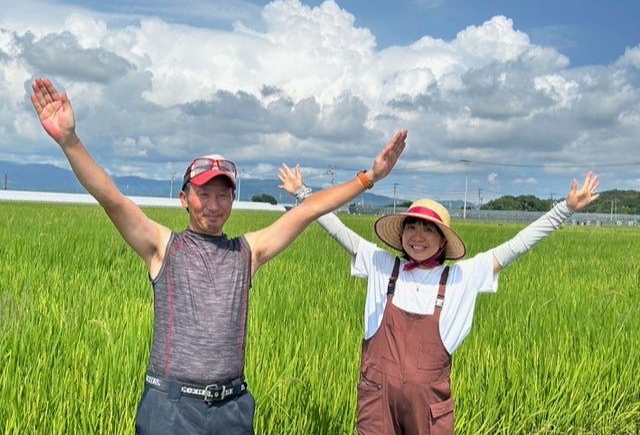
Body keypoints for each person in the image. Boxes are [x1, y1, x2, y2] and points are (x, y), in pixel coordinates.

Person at [29, 77, 408, 435]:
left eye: (222, 194)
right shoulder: (164, 247)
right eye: (203, 194)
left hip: (232, 408)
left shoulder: (246, 252)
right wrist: (70, 141)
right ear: (184, 198)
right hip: (171, 410)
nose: (213, 204)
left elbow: (308, 210)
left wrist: (368, 178)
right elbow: (112, 199)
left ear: (232, 199)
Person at [279, 164, 599, 435]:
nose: (418, 236)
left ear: (443, 240)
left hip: (429, 408)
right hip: (377, 399)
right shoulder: (382, 266)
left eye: (429, 230)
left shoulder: (461, 277)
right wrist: (302, 194)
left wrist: (565, 209)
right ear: (401, 234)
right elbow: (338, 230)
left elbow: (516, 246)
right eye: (412, 227)